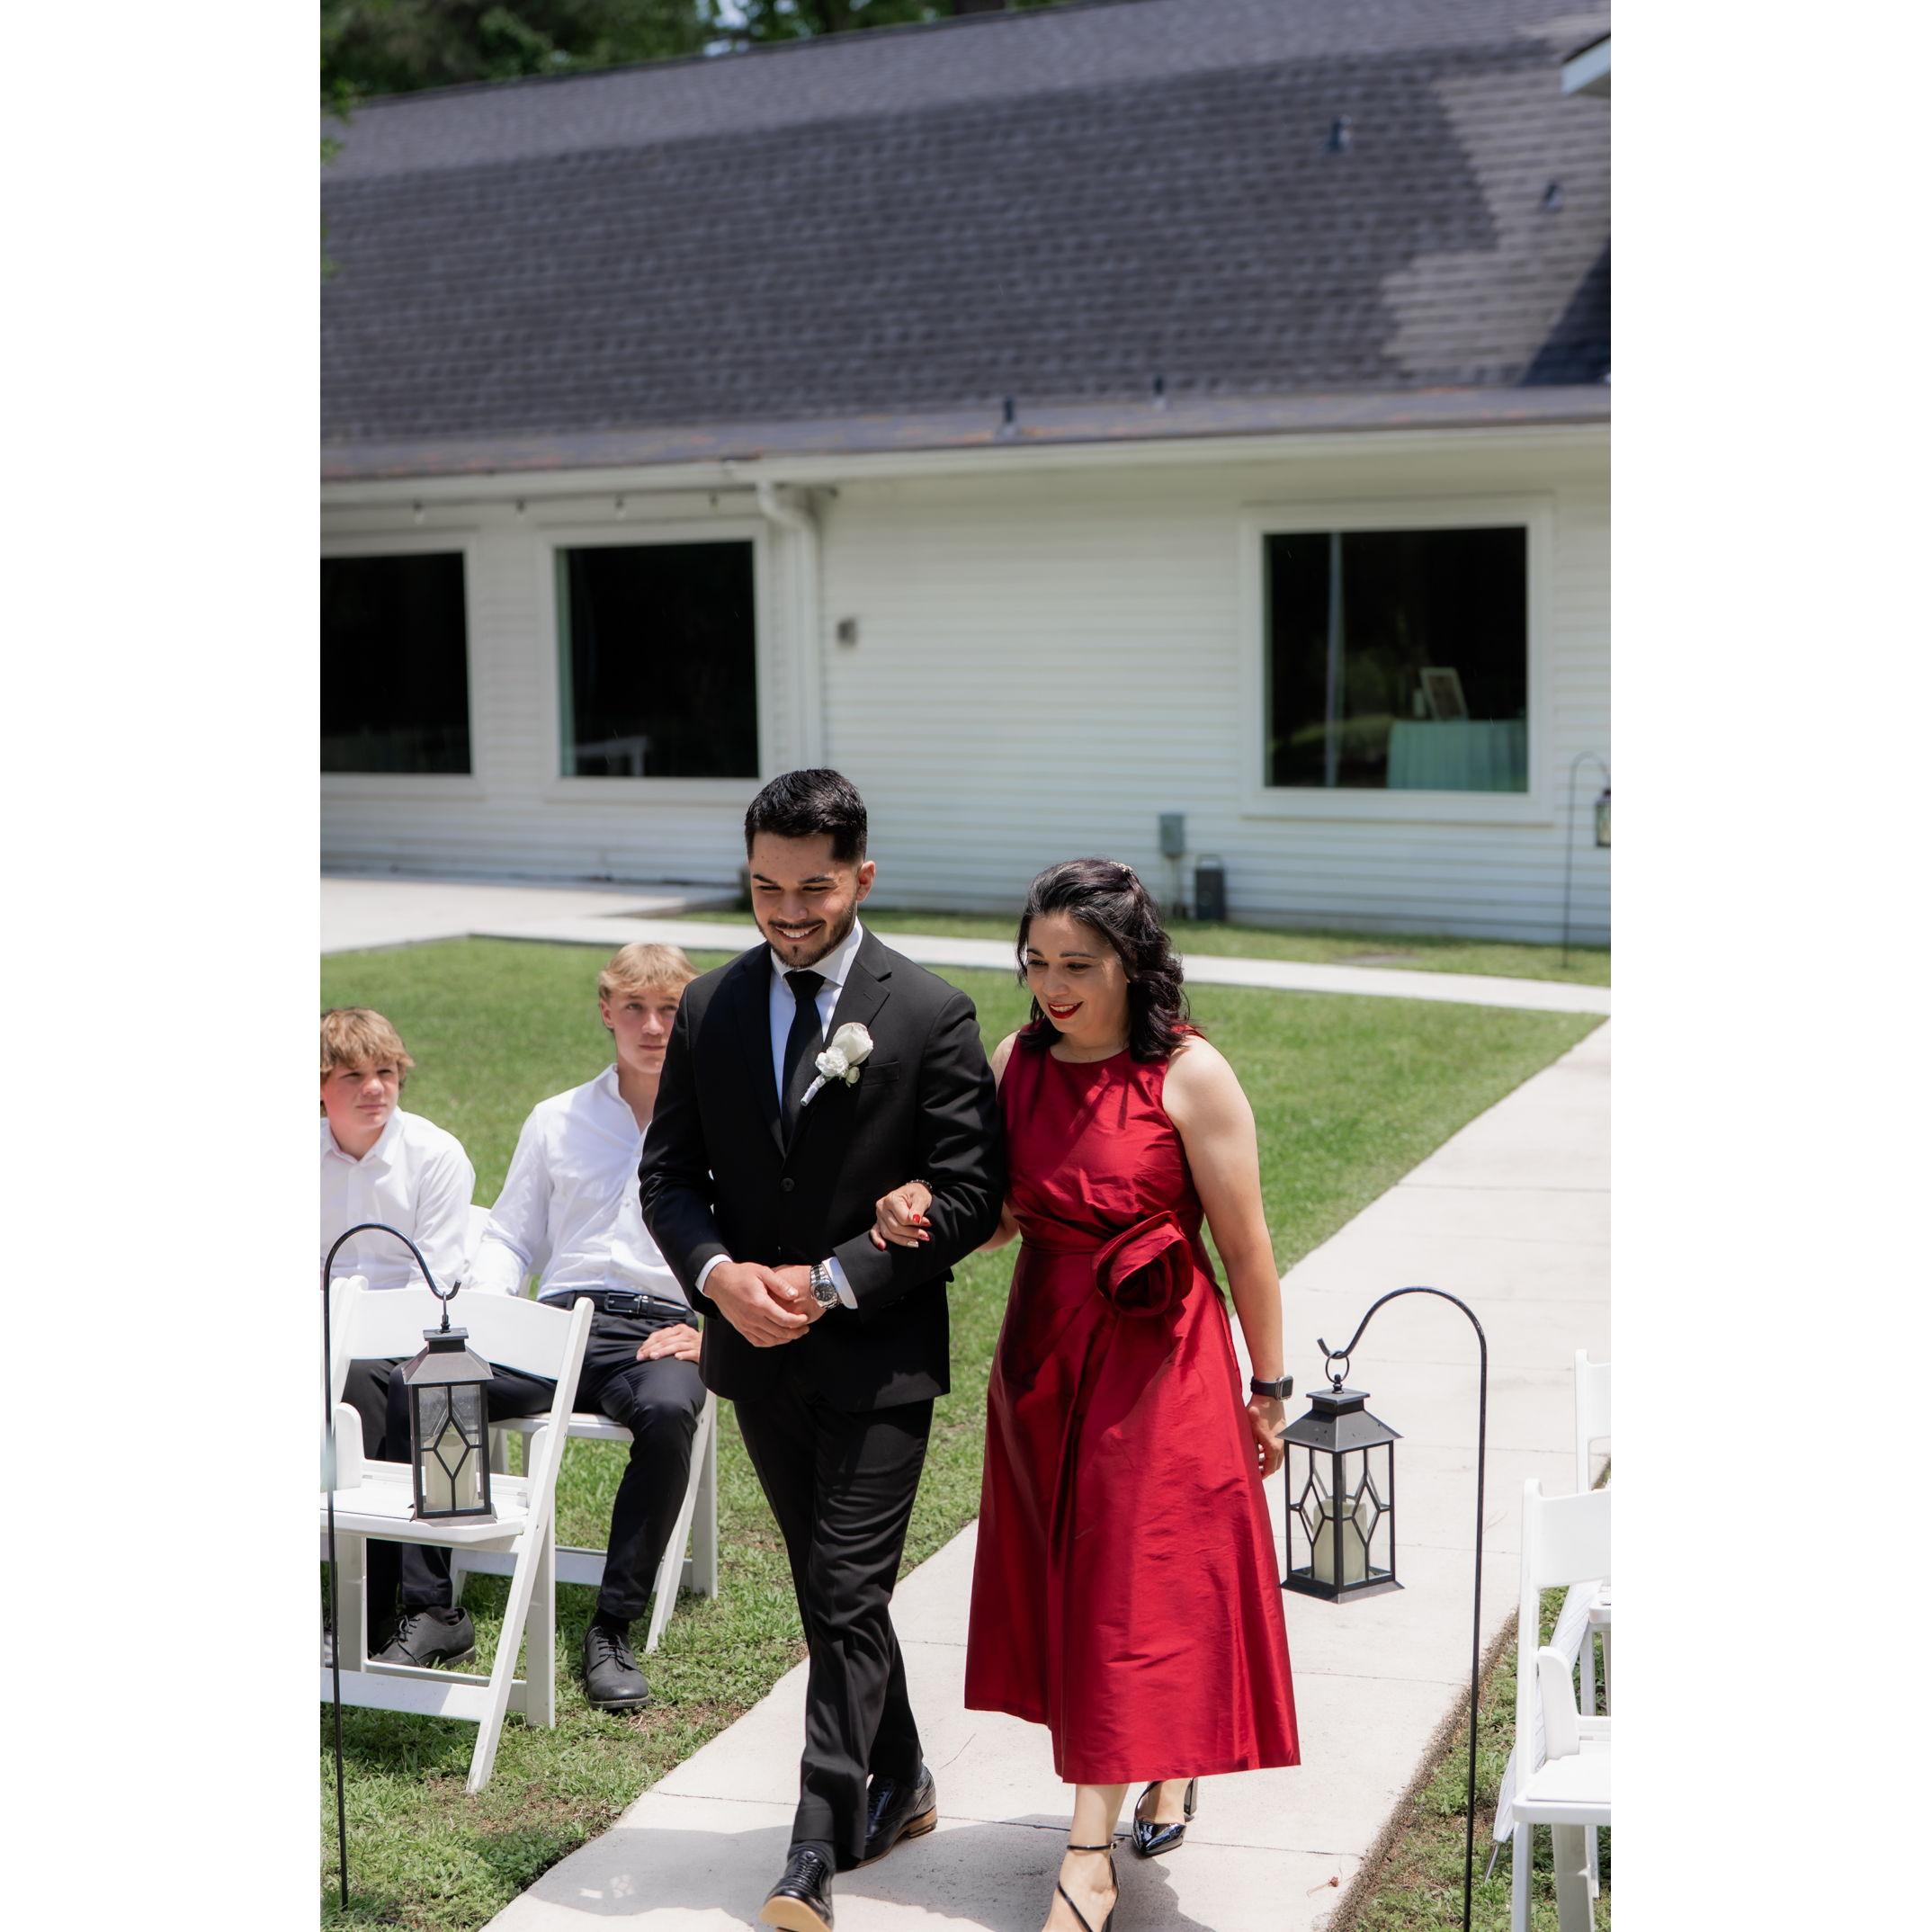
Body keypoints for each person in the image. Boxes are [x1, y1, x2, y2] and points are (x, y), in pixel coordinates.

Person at [640, 770, 1004, 1932]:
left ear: (863, 877)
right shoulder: (711, 1008)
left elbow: (970, 1195)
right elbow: (669, 1178)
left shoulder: (931, 1012)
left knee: (844, 1587)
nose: (788, 913)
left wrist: (839, 1275)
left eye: (814, 890)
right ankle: (906, 1778)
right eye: (766, 888)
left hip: (882, 1359)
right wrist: (719, 1277)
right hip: (754, 1356)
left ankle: (811, 1845)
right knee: (829, 1588)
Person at [935, 858, 1300, 1932]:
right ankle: (1161, 1764)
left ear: (1133, 965)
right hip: (1044, 1356)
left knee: (1131, 1588)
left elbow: (1248, 1247)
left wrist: (1269, 1387)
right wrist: (926, 1209)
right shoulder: (1016, 1063)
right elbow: (1004, 1216)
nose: (1052, 985)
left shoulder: (1192, 1074)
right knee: (1080, 1588)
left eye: (1078, 965)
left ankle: (1086, 1859)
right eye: (1037, 961)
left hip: (1161, 1359)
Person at [436, 942, 710, 1708]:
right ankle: (429, 1607)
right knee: (428, 1386)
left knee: (667, 1412)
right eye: (635, 1009)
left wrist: (715, 1332)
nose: (653, 1027)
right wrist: (489, 1316)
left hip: (658, 1328)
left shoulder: (722, 1124)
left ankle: (611, 1627)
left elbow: (757, 1246)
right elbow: (510, 1236)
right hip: (554, 1323)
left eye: (670, 1011)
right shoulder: (556, 1119)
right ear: (606, 1012)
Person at [319, 1006, 477, 1656]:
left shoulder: (434, 1155)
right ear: (318, 1087)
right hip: (320, 1336)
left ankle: (377, 1604)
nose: (374, 1088)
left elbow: (433, 1286)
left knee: (367, 1386)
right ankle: (372, 1597)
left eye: (386, 1072)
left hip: (410, 1339)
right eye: (353, 1075)